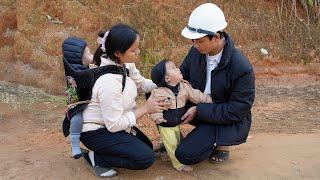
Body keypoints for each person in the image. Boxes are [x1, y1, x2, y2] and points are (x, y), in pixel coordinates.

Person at [80, 24, 168, 178]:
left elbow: (141, 84)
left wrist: (164, 81)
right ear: (117, 53)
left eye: (137, 48)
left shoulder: (125, 65)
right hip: (96, 131)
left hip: (110, 124)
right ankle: (96, 157)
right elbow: (113, 125)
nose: (138, 52)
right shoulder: (108, 81)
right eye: (133, 50)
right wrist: (145, 109)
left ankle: (104, 152)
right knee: (145, 158)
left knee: (146, 146)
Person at [175, 3, 255, 165]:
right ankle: (176, 136)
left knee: (185, 155)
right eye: (192, 41)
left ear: (217, 37)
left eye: (199, 41)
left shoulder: (241, 67)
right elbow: (181, 75)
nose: (194, 45)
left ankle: (220, 144)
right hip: (201, 105)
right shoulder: (196, 52)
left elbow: (237, 110)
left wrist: (199, 110)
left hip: (224, 117)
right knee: (160, 93)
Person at [150, 59, 212, 172]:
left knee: (178, 140)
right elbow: (155, 107)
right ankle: (179, 165)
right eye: (173, 68)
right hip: (166, 124)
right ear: (167, 78)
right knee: (172, 144)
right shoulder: (159, 92)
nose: (178, 69)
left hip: (177, 122)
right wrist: (157, 117)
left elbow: (196, 95)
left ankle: (169, 151)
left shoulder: (184, 87)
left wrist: (209, 100)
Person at [61, 36, 95, 159]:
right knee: (77, 118)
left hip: (89, 100)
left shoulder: (86, 68)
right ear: (78, 58)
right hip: (77, 102)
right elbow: (83, 82)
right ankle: (74, 144)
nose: (92, 56)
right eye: (89, 54)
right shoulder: (76, 72)